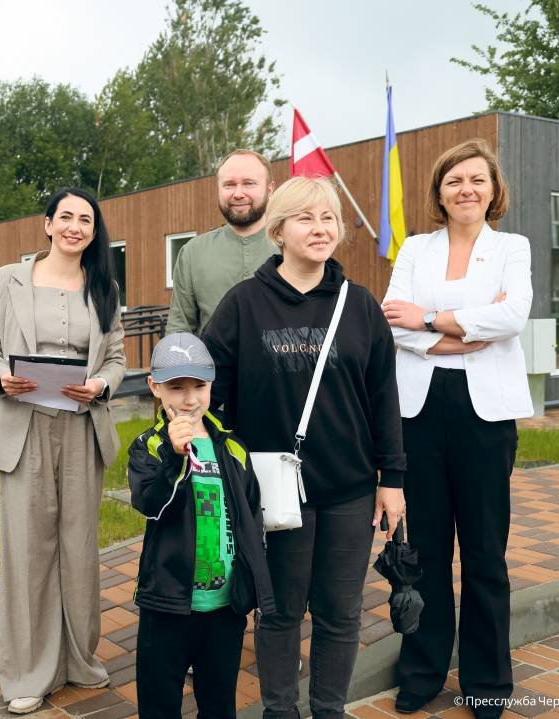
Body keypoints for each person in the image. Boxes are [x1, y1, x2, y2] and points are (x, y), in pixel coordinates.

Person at [203, 176, 407, 719]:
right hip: (273, 492)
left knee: (340, 614)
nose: (320, 229)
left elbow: (385, 397)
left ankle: (329, 710)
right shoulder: (244, 303)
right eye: (305, 218)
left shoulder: (359, 305)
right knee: (280, 612)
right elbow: (209, 388)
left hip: (349, 489)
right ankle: (279, 711)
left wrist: (392, 478)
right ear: (278, 231)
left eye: (329, 218)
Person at [381, 138, 533, 719]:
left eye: (476, 179)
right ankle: (422, 671)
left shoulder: (511, 247)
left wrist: (429, 319)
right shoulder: (415, 249)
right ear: (439, 193)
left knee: (485, 552)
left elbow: (511, 316)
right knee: (424, 549)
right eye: (453, 181)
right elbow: (392, 321)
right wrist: (458, 335)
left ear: (493, 190)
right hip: (419, 412)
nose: (465, 189)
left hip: (485, 415)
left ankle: (487, 681)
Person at [0, 187, 125, 715]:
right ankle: (27, 673)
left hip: (82, 428)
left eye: (85, 220)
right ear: (47, 223)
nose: (74, 227)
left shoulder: (104, 287)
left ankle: (79, 659)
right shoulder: (4, 281)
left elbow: (117, 358)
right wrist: (0, 377)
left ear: (93, 231)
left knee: (79, 549)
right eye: (66, 217)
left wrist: (101, 385)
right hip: (24, 426)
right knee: (28, 553)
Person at [128, 331, 275, 719]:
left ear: (212, 385)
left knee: (219, 704)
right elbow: (149, 503)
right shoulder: (150, 446)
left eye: (199, 386)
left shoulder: (232, 446)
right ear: (154, 387)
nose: (189, 399)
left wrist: (253, 584)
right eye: (176, 387)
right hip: (167, 605)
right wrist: (175, 457)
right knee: (159, 706)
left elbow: (250, 517)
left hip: (225, 609)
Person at [166, 149, 276, 335]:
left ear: (270, 189)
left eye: (249, 183)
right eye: (229, 185)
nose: (238, 193)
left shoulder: (292, 247)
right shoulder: (193, 252)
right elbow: (179, 330)